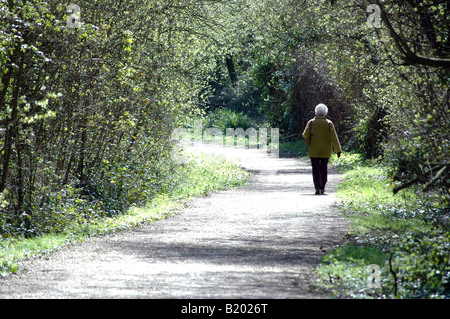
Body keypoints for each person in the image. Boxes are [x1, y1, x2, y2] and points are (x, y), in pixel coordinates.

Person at [302, 103, 342, 195]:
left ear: (316, 112)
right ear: (325, 112)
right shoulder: (329, 123)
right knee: (324, 168)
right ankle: (323, 187)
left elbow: (305, 135)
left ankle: (317, 186)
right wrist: (338, 150)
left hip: (313, 150)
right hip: (325, 151)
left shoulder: (311, 122)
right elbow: (334, 137)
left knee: (315, 169)